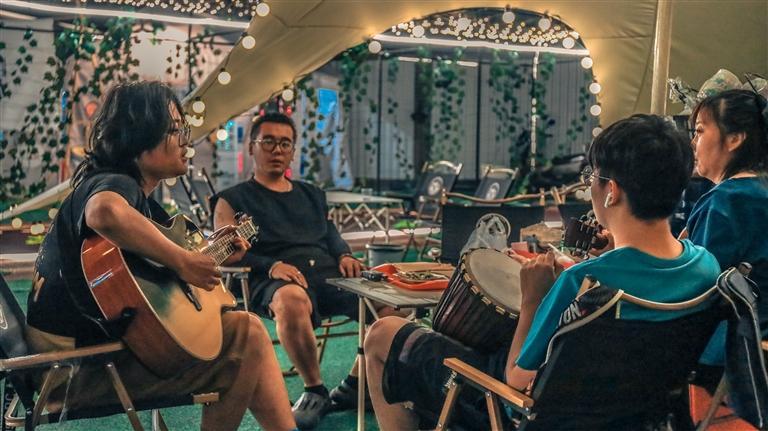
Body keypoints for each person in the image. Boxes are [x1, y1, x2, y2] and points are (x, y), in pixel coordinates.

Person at [363, 114, 722, 430]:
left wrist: (533, 300)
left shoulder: (583, 283)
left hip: (522, 411)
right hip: (636, 413)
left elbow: (516, 380)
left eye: (592, 177)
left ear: (611, 191)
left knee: (382, 333)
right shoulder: (706, 266)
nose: (589, 186)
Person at [26, 82, 296, 431]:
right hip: (77, 371)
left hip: (68, 363)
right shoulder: (116, 185)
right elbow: (104, 213)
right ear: (139, 136)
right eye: (176, 130)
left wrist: (211, 251)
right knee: (248, 336)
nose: (186, 141)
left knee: (243, 333)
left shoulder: (123, 192)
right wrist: (183, 262)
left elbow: (144, 271)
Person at [212, 112, 400, 430]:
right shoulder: (232, 200)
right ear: (251, 146)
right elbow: (226, 254)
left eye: (285, 143)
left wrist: (343, 253)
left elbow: (330, 233)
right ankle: (315, 390)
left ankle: (356, 382)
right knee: (292, 300)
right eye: (268, 141)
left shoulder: (312, 193)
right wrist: (270, 265)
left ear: (293, 151)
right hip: (271, 280)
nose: (277, 149)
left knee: (393, 303)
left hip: (326, 273)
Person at [685, 89, 768, 375]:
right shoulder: (759, 190)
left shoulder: (725, 200)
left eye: (699, 131)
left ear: (734, 138)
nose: (693, 142)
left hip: (732, 352)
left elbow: (695, 287)